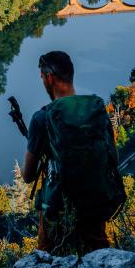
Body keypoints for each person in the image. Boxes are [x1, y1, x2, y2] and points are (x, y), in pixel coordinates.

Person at [22, 50, 125, 255]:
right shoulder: (96, 110)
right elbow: (114, 157)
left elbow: (28, 176)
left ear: (49, 78)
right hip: (94, 203)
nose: (43, 81)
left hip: (58, 209)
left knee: (50, 260)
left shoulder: (42, 118)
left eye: (42, 77)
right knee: (97, 256)